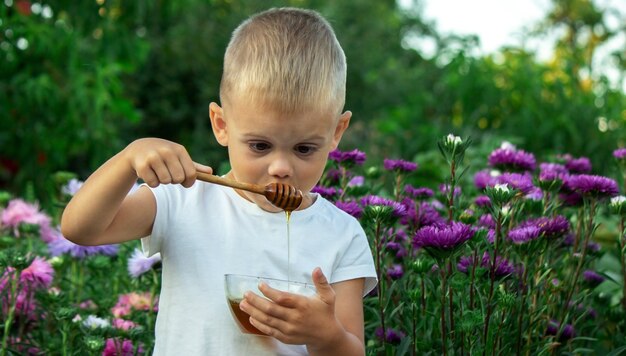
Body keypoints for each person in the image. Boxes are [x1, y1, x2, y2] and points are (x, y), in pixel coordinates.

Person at [61, 7, 377, 355]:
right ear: (221, 125)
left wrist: (326, 335)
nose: (280, 168)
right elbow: (81, 229)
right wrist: (127, 160)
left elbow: (351, 348)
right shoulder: (183, 200)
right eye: (260, 145)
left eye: (304, 148)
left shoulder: (342, 235)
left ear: (336, 132)